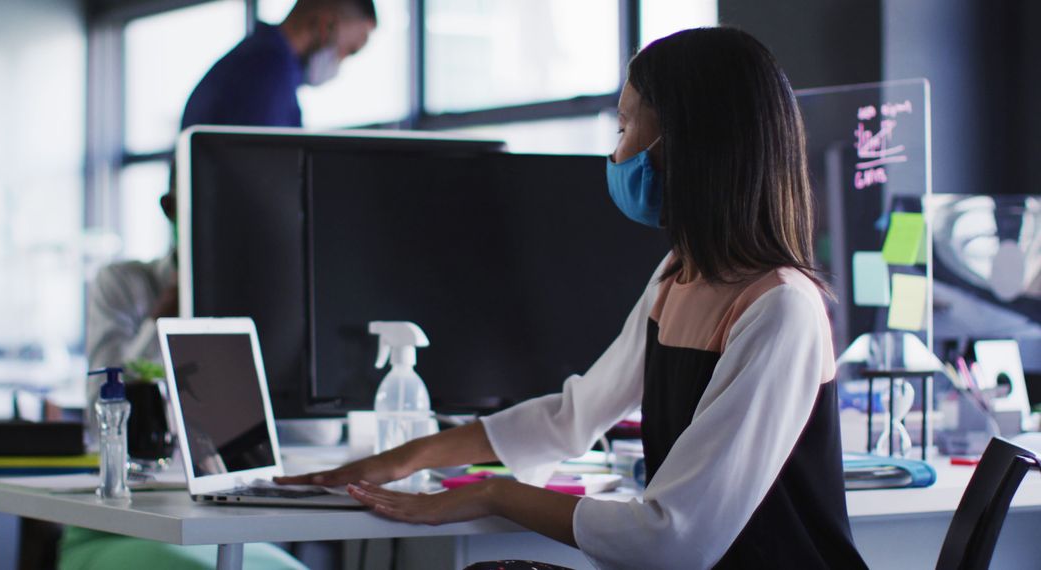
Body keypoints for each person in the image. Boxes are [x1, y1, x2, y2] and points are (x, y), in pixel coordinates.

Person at [277, 27, 869, 569]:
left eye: (624, 126)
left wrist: (493, 493)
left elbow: (672, 539)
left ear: (688, 141)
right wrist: (401, 459)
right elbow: (575, 416)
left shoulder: (780, 308)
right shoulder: (677, 277)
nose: (615, 153)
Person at [61, 175, 306, 570]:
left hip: (225, 523)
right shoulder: (124, 283)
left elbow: (316, 434)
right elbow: (102, 412)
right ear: (170, 208)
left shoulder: (263, 300)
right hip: (125, 518)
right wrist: (166, 315)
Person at [181, 0, 376, 130]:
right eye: (350, 50)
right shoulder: (267, 71)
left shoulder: (260, 60)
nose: (341, 60)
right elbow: (269, 177)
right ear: (326, 25)